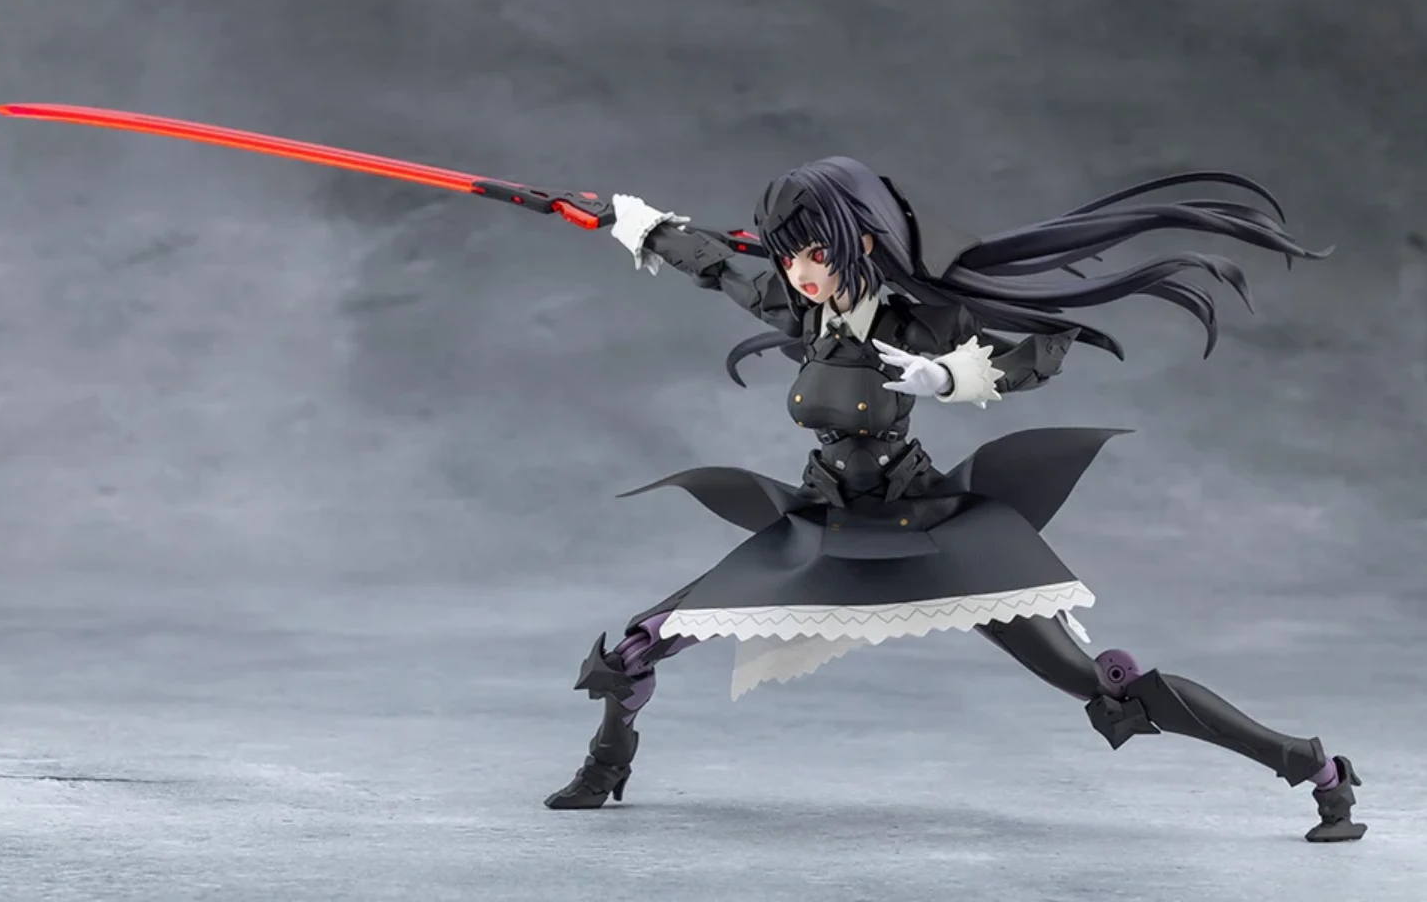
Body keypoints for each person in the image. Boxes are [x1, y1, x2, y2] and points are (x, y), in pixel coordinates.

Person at [542, 156, 1365, 843]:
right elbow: (719, 267)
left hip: (927, 529)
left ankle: (1314, 766)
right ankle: (607, 765)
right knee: (639, 646)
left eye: (815, 253)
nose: (799, 273)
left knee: (1100, 683)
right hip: (823, 524)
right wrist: (637, 224)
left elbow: (1042, 351)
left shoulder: (921, 321)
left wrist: (951, 376)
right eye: (790, 256)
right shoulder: (805, 313)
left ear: (862, 242)